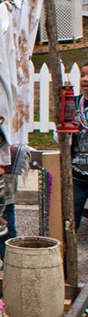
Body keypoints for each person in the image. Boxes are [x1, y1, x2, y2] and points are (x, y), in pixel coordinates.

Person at [71, 62, 88, 229]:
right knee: (71, 220)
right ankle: (68, 255)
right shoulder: (74, 104)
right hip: (77, 174)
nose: (85, 79)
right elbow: (58, 136)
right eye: (83, 75)